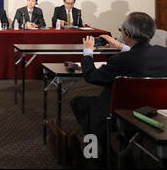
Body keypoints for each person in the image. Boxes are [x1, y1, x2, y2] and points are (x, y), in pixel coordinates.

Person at [71, 12, 167, 160]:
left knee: (80, 104)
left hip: (121, 111)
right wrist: (120, 46)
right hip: (155, 110)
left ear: (127, 33)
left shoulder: (120, 60)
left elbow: (92, 76)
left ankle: (98, 153)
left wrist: (88, 52)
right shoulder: (163, 54)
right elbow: (142, 56)